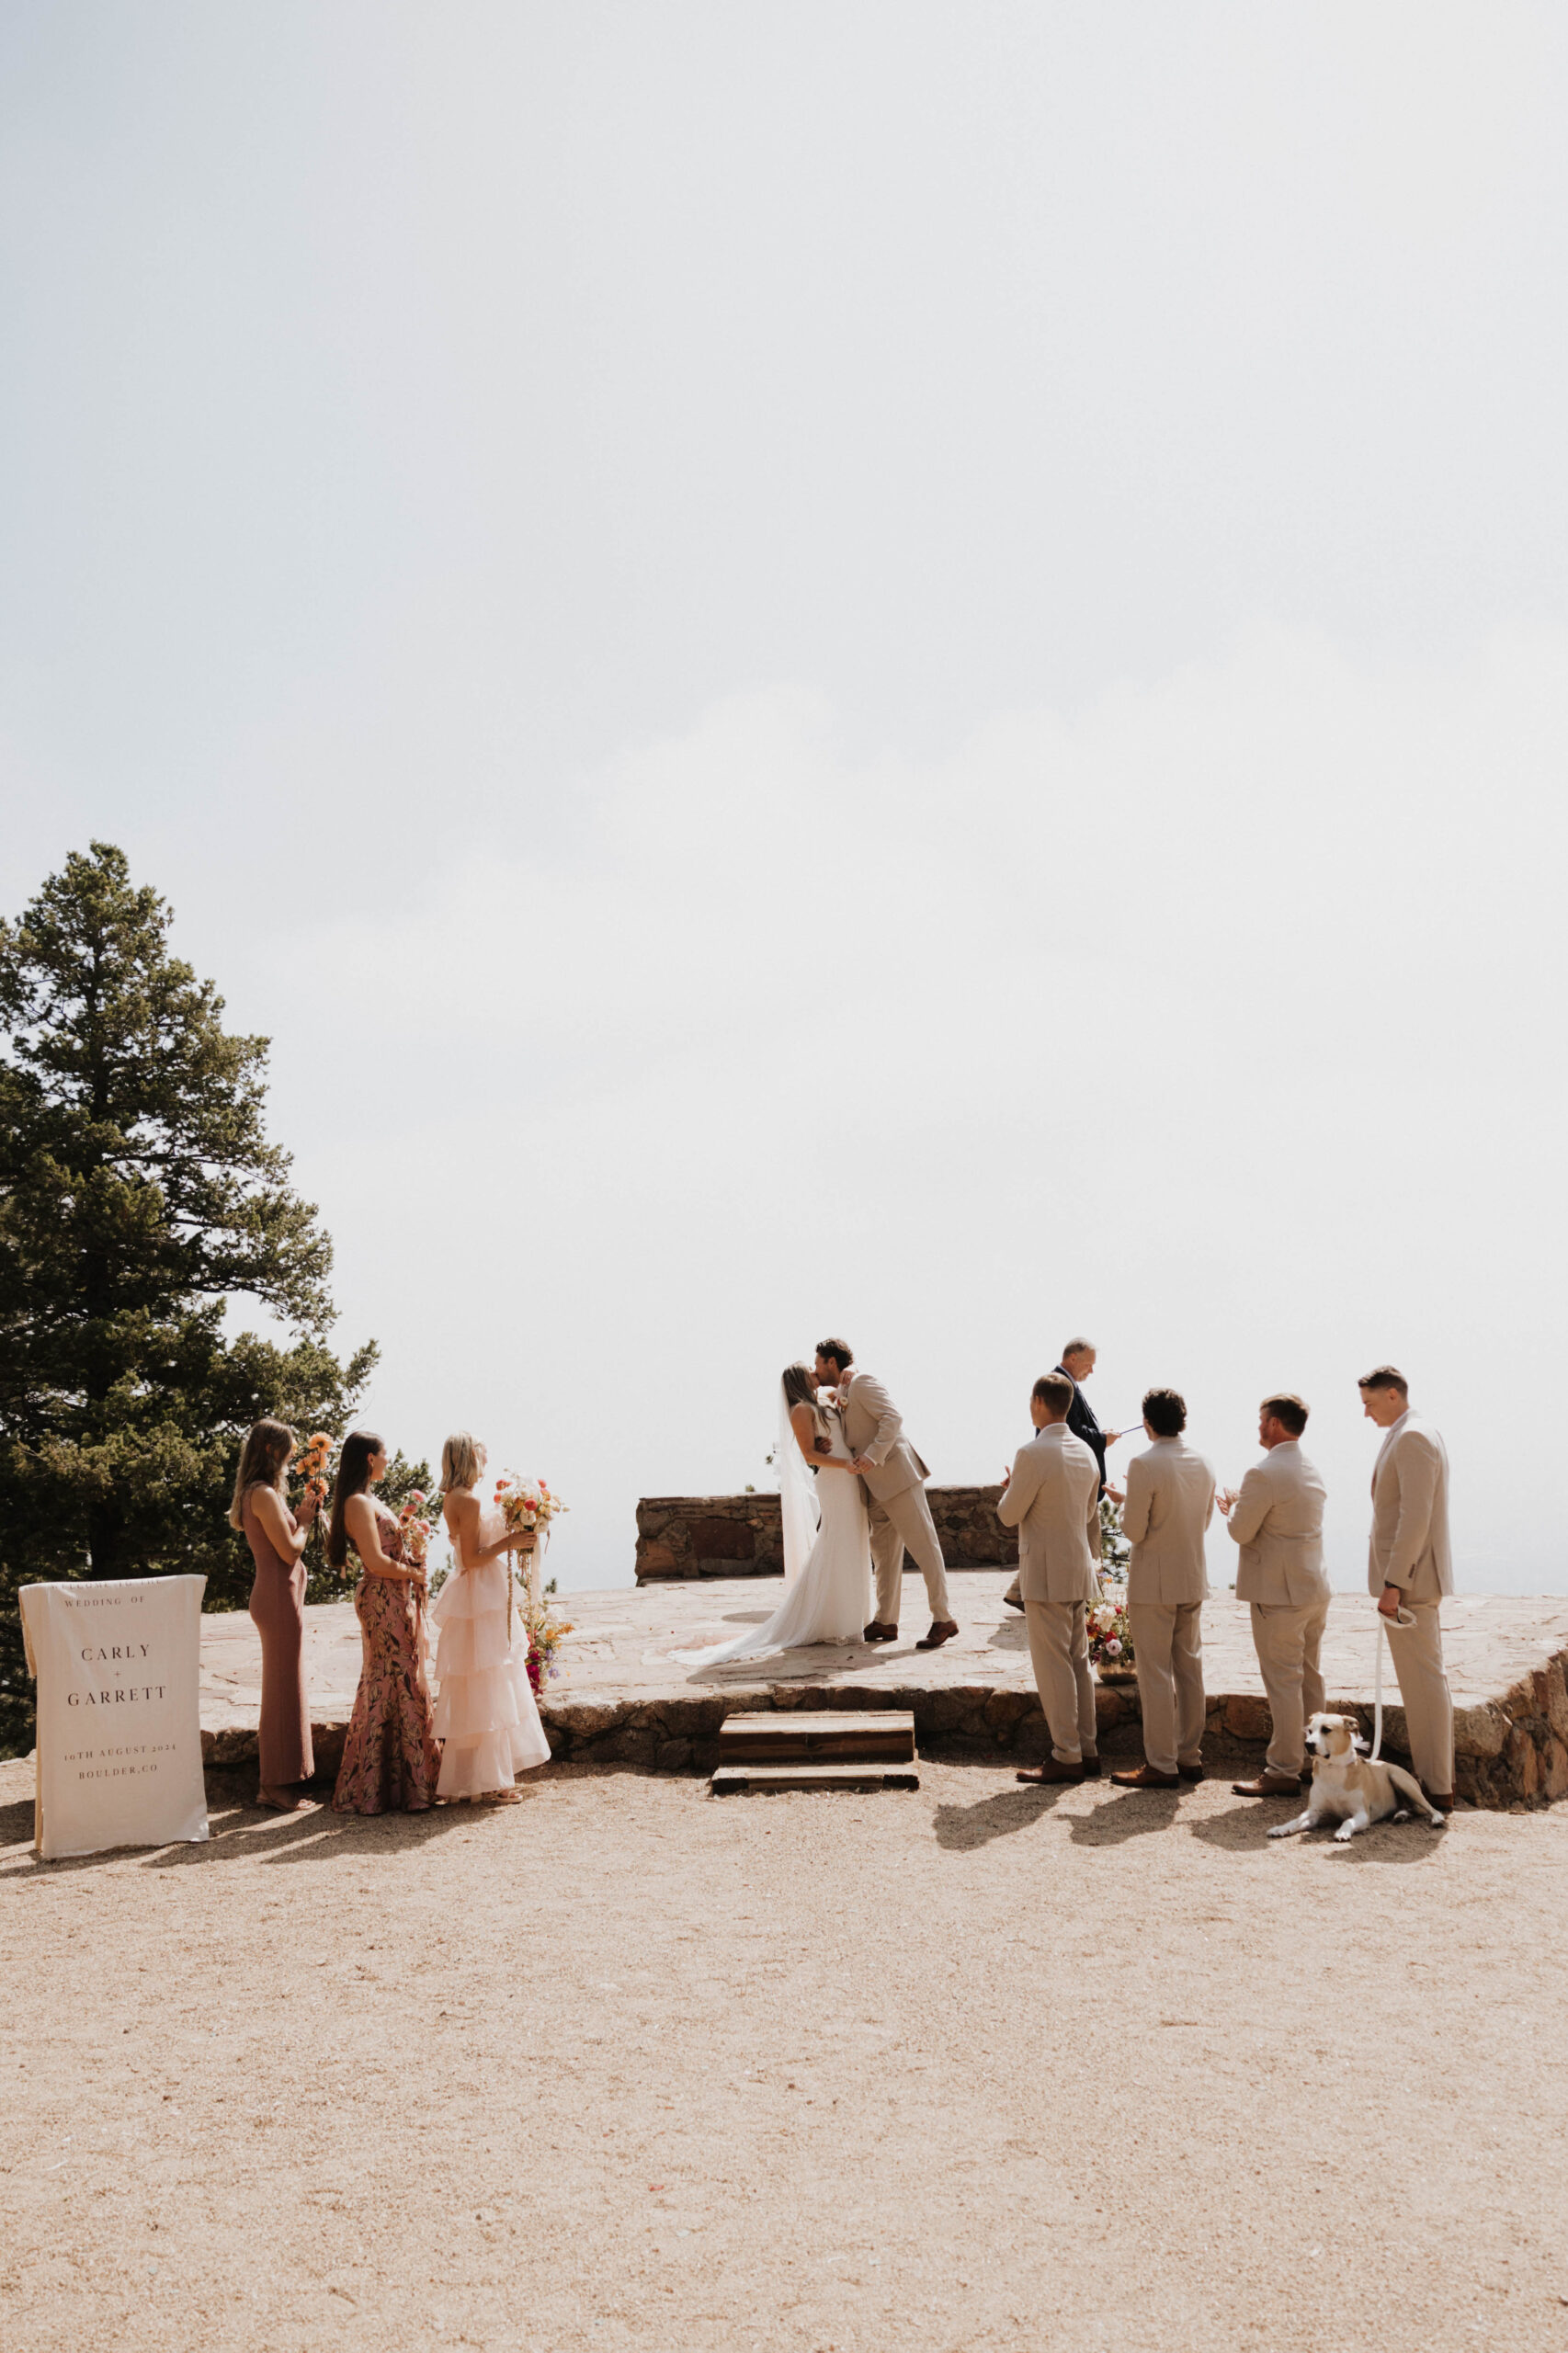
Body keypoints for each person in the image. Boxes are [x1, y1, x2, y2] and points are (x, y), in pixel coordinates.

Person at [676, 1366, 872, 1663]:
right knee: (836, 1541)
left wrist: (849, 1378)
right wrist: (842, 1464)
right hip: (835, 1480)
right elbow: (808, 1455)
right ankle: (824, 1616)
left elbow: (844, 1394)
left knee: (853, 1541)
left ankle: (849, 1615)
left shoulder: (821, 1402)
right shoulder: (801, 1410)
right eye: (808, 1369)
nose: (814, 1369)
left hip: (848, 1479)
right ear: (798, 1379)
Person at [1219, 1394, 1330, 1800]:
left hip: (1278, 1593)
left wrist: (1231, 1507)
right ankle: (1312, 1761)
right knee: (1310, 1679)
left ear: (1275, 1424)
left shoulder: (1262, 1473)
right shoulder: (1310, 1467)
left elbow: (1241, 1531)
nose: (1258, 1427)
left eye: (1261, 1419)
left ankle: (1282, 1769)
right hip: (1313, 1586)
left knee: (1283, 1683)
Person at [430, 1432, 551, 1802]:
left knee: (482, 1683)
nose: (486, 1463)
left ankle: (485, 1775)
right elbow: (472, 1556)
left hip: (478, 1591)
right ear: (469, 1459)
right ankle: (495, 1780)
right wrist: (510, 1542)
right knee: (490, 1681)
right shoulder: (465, 1499)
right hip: (479, 1591)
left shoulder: (456, 1496)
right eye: (482, 1458)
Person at [817, 1339, 958, 1651]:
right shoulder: (843, 1390)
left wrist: (871, 1456)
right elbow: (847, 1423)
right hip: (873, 1486)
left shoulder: (863, 1381)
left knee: (924, 1547)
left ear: (831, 1361)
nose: (816, 1370)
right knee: (884, 1555)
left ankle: (943, 1617)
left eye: (818, 1364)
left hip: (896, 1474)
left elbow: (892, 1418)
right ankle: (886, 1620)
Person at [997, 1371, 1103, 1784]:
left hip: (1044, 1571)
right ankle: (1088, 1749)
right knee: (1078, 1665)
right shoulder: (1087, 1452)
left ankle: (1066, 1755)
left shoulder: (1032, 1453)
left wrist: (1009, 1488)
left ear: (1039, 1402)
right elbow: (1091, 1514)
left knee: (1053, 1667)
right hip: (1078, 1567)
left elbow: (1009, 1514)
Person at [330, 1430, 442, 1814]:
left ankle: (404, 1786)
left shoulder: (369, 1500)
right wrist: (412, 1575)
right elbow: (375, 1562)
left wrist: (412, 1563)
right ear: (369, 1458)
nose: (388, 1460)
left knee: (402, 1679)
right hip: (381, 1598)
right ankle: (384, 1788)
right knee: (390, 1681)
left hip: (395, 1597)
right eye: (385, 1454)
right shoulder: (358, 1503)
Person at [1109, 1387, 1215, 1790]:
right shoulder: (1204, 1462)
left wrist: (1122, 1502)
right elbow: (1203, 1521)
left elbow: (1134, 1529)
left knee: (1155, 1673)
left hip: (1153, 1582)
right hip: (1191, 1576)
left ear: (1148, 1421)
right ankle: (1190, 1756)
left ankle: (1160, 1763)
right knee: (1190, 1670)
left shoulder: (1143, 1463)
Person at [1360, 1367, 1455, 1812]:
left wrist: (1394, 1583)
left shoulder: (1414, 1436)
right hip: (1410, 1580)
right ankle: (1432, 1781)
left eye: (1370, 1403)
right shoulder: (1411, 1432)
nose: (1366, 1413)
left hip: (1411, 1583)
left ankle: (1437, 1786)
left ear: (1394, 1395)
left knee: (1423, 1684)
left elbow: (1415, 1517)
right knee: (1419, 1683)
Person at [231, 1417, 320, 1812]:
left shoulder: (261, 1492)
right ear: (271, 1451)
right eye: (287, 1451)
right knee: (282, 1691)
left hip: (281, 1596)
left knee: (286, 1687)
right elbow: (289, 1551)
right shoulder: (263, 1494)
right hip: (277, 1598)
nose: (290, 1459)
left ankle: (281, 1780)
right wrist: (304, 1522)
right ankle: (273, 1785)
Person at [1001, 1336, 1126, 1609]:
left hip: (1061, 1477)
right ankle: (1093, 1607)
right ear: (1073, 1359)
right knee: (1087, 1543)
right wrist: (1103, 1439)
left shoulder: (1063, 1385)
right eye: (1089, 1365)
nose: (1091, 1371)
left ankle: (1018, 1592)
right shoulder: (1062, 1386)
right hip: (1070, 1481)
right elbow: (1072, 1430)